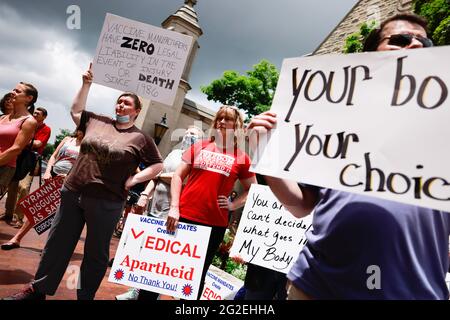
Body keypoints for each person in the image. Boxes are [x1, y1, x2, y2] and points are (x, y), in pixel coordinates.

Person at [247, 13, 450, 300]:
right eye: (401, 40)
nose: (415, 46)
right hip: (317, 286)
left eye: (425, 43)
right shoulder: (332, 118)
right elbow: (300, 205)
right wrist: (264, 153)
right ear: (370, 54)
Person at [3, 63, 163, 300]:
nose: (121, 105)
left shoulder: (141, 138)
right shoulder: (97, 121)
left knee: (95, 253)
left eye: (127, 103)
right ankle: (38, 289)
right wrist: (86, 84)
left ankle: (85, 296)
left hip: (108, 201)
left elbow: (157, 165)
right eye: (119, 101)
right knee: (57, 244)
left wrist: (134, 180)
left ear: (137, 111)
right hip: (73, 192)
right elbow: (76, 110)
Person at [154, 105, 257, 300]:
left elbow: (253, 187)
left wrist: (234, 205)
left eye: (227, 119)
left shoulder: (242, 158)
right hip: (181, 216)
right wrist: (174, 207)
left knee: (195, 276)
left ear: (236, 126)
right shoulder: (200, 146)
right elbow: (177, 176)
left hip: (213, 225)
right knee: (160, 267)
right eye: (219, 118)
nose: (221, 122)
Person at [119, 125, 202, 301]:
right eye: (186, 132)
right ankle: (136, 289)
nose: (188, 135)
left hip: (172, 213)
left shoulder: (198, 157)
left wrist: (160, 175)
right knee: (144, 252)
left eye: (193, 134)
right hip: (154, 208)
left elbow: (183, 178)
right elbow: (156, 176)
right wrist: (144, 195)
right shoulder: (173, 154)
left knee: (159, 257)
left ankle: (149, 294)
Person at [1, 126, 85, 251]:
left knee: (60, 214)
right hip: (53, 176)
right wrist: (48, 171)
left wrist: (68, 176)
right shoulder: (67, 139)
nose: (81, 131)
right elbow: (53, 156)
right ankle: (16, 238)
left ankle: (51, 246)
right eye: (80, 128)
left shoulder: (88, 146)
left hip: (70, 182)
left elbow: (83, 165)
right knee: (38, 207)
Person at [4, 107, 51, 228]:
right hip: (18, 156)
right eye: (35, 112)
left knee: (24, 187)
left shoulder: (46, 129)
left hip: (31, 159)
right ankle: (8, 214)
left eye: (38, 113)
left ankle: (19, 218)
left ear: (44, 117)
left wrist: (24, 138)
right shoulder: (27, 122)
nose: (35, 114)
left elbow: (38, 144)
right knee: (12, 185)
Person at [0, 83, 38, 204]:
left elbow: (16, 149)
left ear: (29, 98)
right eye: (13, 89)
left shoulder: (29, 121)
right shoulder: (3, 118)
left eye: (18, 91)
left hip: (4, 167)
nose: (13, 92)